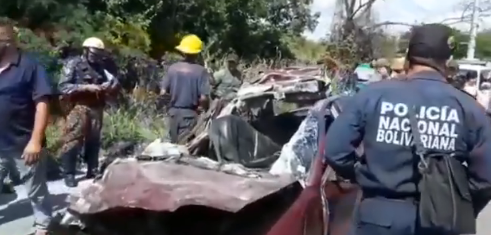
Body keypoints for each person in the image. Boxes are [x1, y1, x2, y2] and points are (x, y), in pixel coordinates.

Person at [324, 23, 491, 235]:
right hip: (440, 220)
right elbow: (486, 178)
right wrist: (458, 202)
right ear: (447, 61)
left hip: (379, 216)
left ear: (407, 57)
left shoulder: (372, 96)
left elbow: (335, 151)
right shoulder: (468, 108)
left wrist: (364, 175)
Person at [0, 19, 53, 235]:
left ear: (7, 41)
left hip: (24, 143)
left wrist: (35, 141)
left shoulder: (30, 66)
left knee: (36, 191)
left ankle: (43, 226)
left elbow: (42, 103)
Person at [58, 37, 119, 187]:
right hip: (78, 106)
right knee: (72, 139)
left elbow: (113, 82)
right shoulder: (73, 64)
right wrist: (84, 87)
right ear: (85, 51)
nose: (96, 57)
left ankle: (92, 169)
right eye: (94, 53)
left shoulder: (100, 66)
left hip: (96, 106)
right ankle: (69, 173)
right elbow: (62, 86)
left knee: (94, 140)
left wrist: (107, 86)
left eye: (99, 54)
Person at [160, 34, 210, 143]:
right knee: (185, 149)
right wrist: (203, 109)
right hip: (189, 115)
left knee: (172, 147)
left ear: (183, 51)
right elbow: (203, 98)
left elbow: (163, 93)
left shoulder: (172, 68)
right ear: (197, 53)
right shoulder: (200, 71)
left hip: (173, 114)